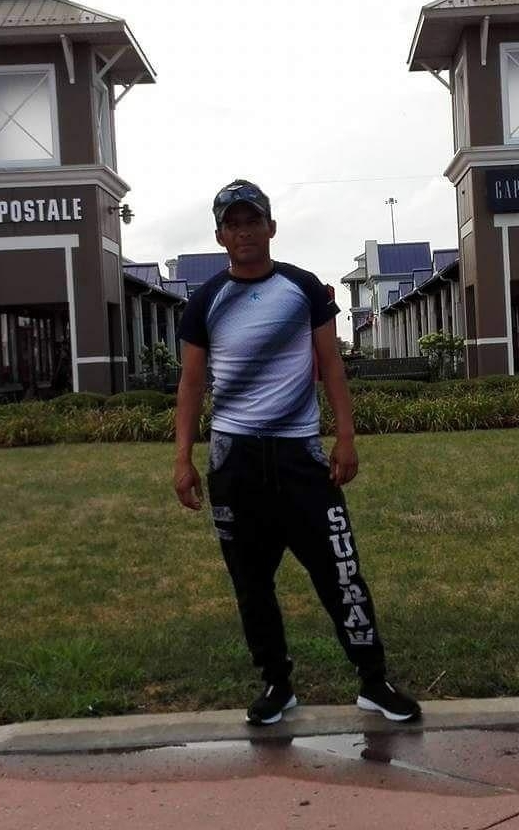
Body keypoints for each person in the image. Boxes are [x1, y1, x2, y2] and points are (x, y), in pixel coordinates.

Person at [173, 179, 421, 727]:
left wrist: (346, 436)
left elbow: (331, 365)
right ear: (220, 236)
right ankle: (276, 684)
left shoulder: (303, 288)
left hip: (300, 458)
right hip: (234, 462)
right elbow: (190, 384)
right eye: (233, 224)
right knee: (251, 584)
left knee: (341, 573)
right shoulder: (205, 301)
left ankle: (373, 681)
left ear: (271, 227)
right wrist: (182, 458)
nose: (244, 232)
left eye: (252, 221)